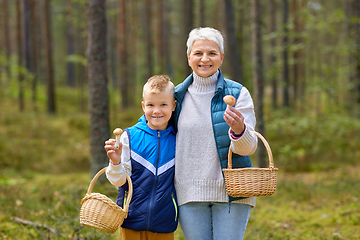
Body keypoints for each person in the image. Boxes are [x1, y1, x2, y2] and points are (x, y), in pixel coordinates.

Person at [172, 27, 258, 240]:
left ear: (221, 57)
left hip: (232, 191)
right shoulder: (175, 97)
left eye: (212, 53)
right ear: (188, 56)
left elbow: (249, 147)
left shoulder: (238, 93)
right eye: (198, 53)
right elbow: (151, 126)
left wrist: (240, 130)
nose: (205, 59)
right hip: (188, 192)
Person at [104, 75, 178, 240]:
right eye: (151, 105)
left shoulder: (178, 139)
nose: (156, 111)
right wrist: (115, 162)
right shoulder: (129, 137)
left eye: (163, 105)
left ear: (173, 106)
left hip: (164, 223)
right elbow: (119, 181)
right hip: (131, 220)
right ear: (143, 106)